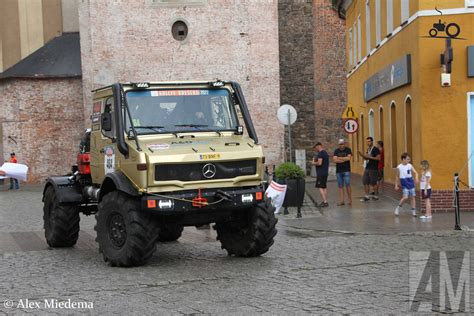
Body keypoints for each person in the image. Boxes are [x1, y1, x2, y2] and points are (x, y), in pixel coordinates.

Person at [394, 152, 419, 217]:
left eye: (409, 159)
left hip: (410, 182)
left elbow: (416, 172)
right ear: (403, 159)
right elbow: (396, 176)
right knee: (405, 197)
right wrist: (396, 185)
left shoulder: (410, 165)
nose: (409, 160)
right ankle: (398, 208)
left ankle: (413, 211)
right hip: (404, 182)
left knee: (413, 197)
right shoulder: (399, 167)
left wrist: (416, 177)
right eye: (407, 159)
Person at [358, 137, 381, 201]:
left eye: (369, 141)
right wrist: (362, 155)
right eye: (367, 141)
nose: (368, 143)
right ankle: (367, 196)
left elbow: (378, 158)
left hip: (373, 168)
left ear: (372, 141)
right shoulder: (368, 149)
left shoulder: (375, 149)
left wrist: (370, 157)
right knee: (365, 182)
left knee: (373, 183)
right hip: (367, 167)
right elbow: (367, 158)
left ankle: (376, 196)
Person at [333, 138, 352, 205]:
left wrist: (339, 158)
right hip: (339, 171)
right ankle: (342, 201)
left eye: (342, 144)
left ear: (344, 144)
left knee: (347, 185)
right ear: (338, 144)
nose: (341, 145)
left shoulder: (348, 150)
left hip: (346, 170)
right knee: (340, 186)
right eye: (340, 144)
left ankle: (350, 200)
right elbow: (334, 160)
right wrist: (344, 159)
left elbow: (349, 158)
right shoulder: (336, 151)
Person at [312, 142, 329, 207]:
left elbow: (319, 163)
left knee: (320, 187)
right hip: (325, 172)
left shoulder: (320, 153)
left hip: (321, 173)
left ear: (318, 146)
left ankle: (325, 202)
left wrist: (313, 162)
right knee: (324, 187)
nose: (315, 149)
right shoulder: (325, 153)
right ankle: (325, 200)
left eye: (315, 148)